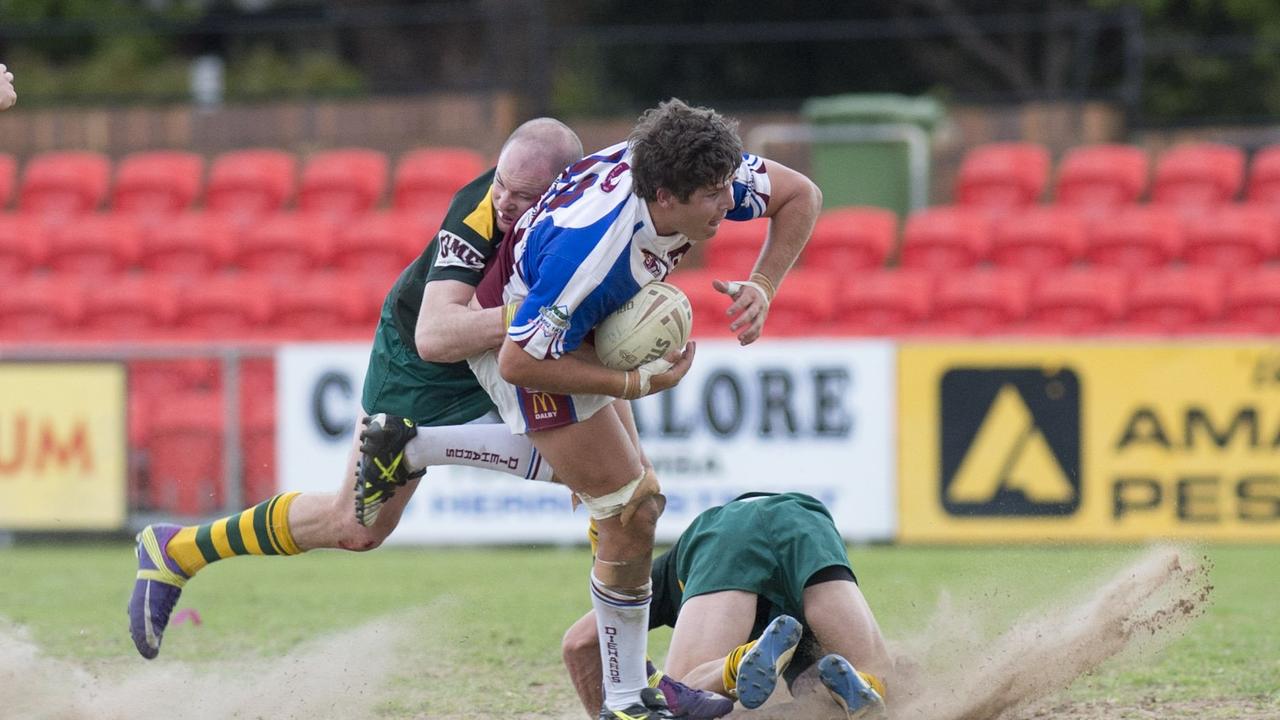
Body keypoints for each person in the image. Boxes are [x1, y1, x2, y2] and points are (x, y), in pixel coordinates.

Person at [360, 98, 823, 720]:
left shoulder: (695, 173)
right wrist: (631, 383)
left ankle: (630, 696)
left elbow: (801, 196)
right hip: (523, 324)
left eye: (725, 189)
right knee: (629, 505)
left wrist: (764, 285)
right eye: (712, 197)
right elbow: (522, 360)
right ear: (665, 196)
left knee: (634, 501)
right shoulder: (593, 256)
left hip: (569, 316)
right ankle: (628, 700)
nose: (725, 205)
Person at [128, 117, 585, 660]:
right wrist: (543, 314)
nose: (504, 200)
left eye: (521, 194)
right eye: (501, 183)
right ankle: (178, 549)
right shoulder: (479, 209)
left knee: (619, 484)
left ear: (565, 188)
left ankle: (618, 657)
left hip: (503, 352)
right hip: (422, 364)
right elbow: (436, 335)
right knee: (356, 527)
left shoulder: (587, 217)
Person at [561, 493, 891, 720]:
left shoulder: (653, 579)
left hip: (728, 538)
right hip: (803, 523)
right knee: (873, 678)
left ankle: (735, 665)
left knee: (680, 700)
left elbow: (580, 643)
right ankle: (864, 683)